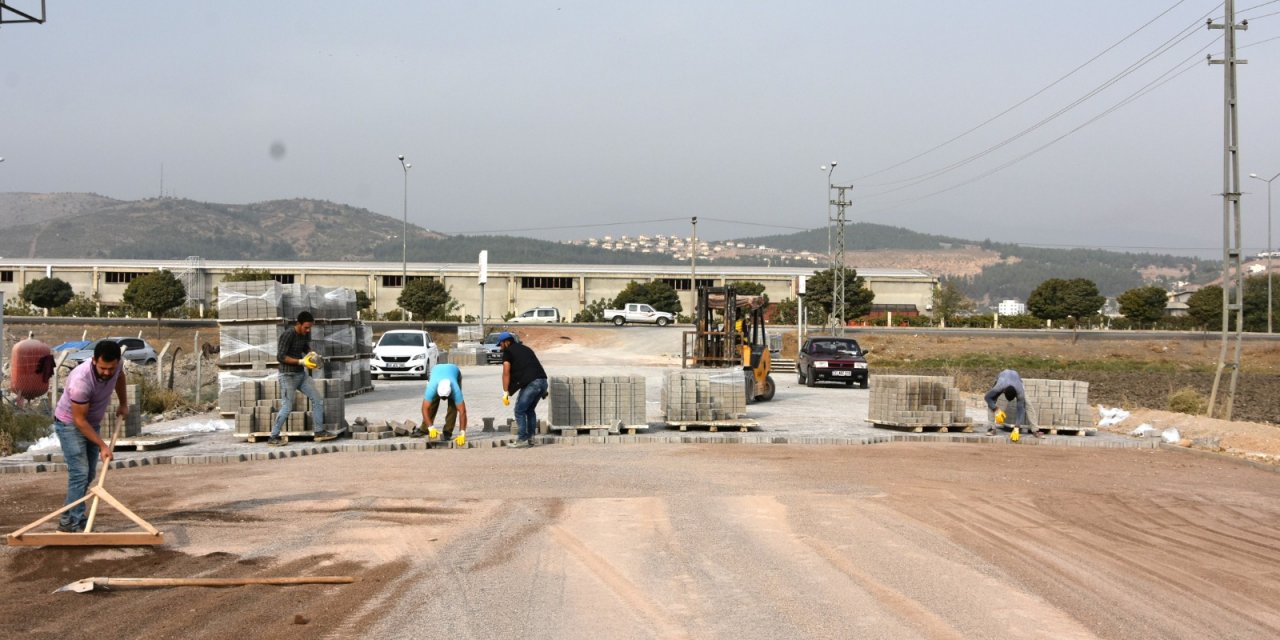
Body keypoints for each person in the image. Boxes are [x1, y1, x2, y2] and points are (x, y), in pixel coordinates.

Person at [53, 340, 128, 533]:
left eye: (111, 368)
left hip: (91, 423)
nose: (107, 372)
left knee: (89, 474)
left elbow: (120, 377)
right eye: (103, 368)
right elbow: (79, 421)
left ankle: (71, 517)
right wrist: (104, 446)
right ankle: (73, 522)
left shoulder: (116, 366)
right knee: (79, 473)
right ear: (94, 360)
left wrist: (123, 403)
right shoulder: (81, 381)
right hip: (69, 424)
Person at [269, 311, 335, 445]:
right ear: (298, 324)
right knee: (287, 406)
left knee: (318, 400)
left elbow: (305, 347)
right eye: (306, 327)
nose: (308, 330)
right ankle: (273, 437)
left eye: (310, 327)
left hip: (301, 375)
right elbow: (280, 357)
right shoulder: (287, 335)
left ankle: (319, 432)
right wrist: (301, 362)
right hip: (287, 375)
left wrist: (312, 354)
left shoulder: (304, 333)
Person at [498, 331, 548, 448]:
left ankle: (522, 438)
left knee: (519, 411)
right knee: (530, 410)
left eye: (500, 343)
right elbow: (532, 366)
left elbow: (506, 373)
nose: (500, 346)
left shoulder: (508, 351)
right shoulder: (526, 348)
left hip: (532, 384)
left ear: (507, 342)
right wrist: (542, 390)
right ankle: (531, 438)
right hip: (543, 382)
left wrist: (505, 392)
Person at [416, 362, 468, 446]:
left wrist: (462, 433)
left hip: (454, 371)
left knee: (453, 405)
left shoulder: (455, 389)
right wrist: (431, 427)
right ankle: (425, 428)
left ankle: (447, 431)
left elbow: (462, 412)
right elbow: (424, 408)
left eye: (446, 397)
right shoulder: (432, 387)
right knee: (432, 403)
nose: (444, 400)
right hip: (436, 372)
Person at [984, 369, 1043, 438]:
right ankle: (991, 428)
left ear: (1016, 395)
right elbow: (987, 398)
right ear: (1003, 392)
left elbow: (1020, 409)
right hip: (1003, 376)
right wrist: (996, 409)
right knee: (992, 401)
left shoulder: (1020, 392)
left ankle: (1035, 430)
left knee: (1028, 404)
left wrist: (1016, 427)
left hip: (1017, 381)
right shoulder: (999, 387)